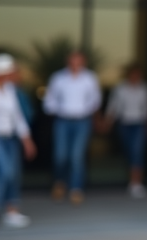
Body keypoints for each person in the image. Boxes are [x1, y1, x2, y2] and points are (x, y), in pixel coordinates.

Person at [43, 50, 102, 204]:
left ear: (83, 62)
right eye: (72, 60)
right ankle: (60, 182)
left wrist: (85, 110)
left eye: (78, 60)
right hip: (62, 120)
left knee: (76, 156)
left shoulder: (89, 78)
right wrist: (56, 109)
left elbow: (95, 99)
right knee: (60, 155)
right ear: (67, 61)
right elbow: (49, 99)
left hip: (82, 121)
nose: (75, 63)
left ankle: (76, 189)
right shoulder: (58, 78)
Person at [103, 63, 147, 198]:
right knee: (129, 152)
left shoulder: (145, 88)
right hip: (124, 124)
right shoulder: (120, 89)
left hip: (139, 124)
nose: (135, 76)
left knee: (137, 152)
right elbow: (113, 107)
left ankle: (136, 183)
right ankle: (131, 179)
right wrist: (107, 123)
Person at [0, 54, 37, 227]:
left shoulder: (11, 90)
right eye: (12, 70)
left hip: (11, 138)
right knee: (5, 173)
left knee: (13, 174)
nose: (16, 74)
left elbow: (18, 117)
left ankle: (12, 211)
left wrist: (27, 140)